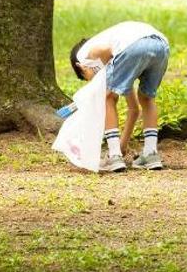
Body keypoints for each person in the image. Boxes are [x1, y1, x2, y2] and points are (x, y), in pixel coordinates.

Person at [71, 21, 170, 172]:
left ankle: (113, 155)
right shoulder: (120, 60)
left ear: (81, 67)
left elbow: (105, 50)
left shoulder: (83, 55)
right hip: (160, 45)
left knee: (107, 97)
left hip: (133, 46)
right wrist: (123, 145)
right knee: (147, 98)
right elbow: (134, 109)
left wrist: (106, 90)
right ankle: (150, 154)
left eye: (87, 77)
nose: (92, 81)